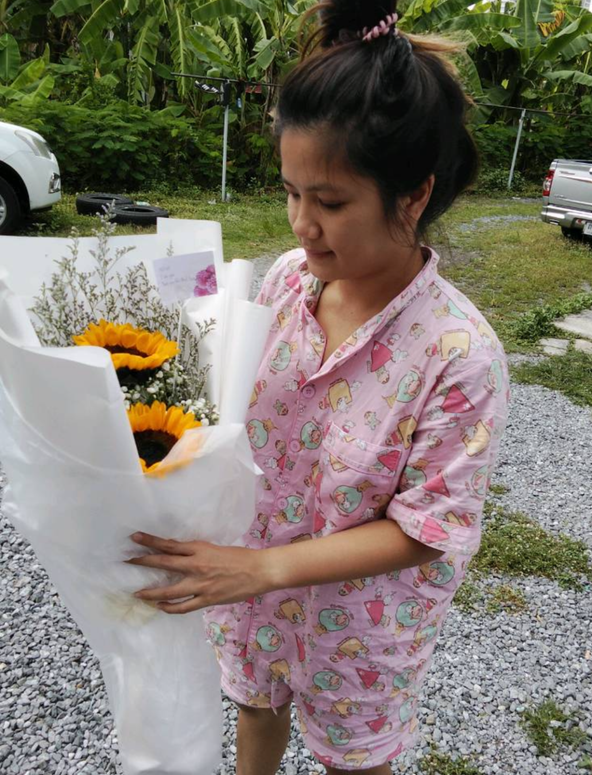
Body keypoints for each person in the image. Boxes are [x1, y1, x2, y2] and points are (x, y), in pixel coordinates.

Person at [128, 2, 511, 773]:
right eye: (292, 193)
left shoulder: (459, 354)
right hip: (251, 592)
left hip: (362, 629)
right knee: (256, 711)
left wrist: (262, 568)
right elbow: (224, 405)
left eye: (330, 202)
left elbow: (427, 527)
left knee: (355, 761)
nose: (303, 224)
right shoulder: (281, 283)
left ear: (412, 196)